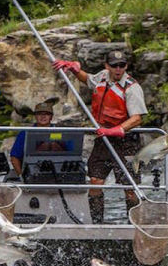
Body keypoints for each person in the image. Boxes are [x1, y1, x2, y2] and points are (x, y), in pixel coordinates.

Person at [51, 50, 147, 224]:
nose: (118, 69)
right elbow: (88, 79)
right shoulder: (103, 76)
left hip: (126, 141)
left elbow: (137, 118)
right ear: (107, 66)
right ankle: (97, 224)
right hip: (103, 138)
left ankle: (134, 224)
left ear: (126, 66)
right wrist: (74, 70)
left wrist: (117, 129)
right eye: (114, 66)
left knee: (129, 187)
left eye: (122, 65)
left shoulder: (132, 88)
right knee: (95, 181)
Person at [7, 101, 56, 179]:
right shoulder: (25, 133)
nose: (43, 116)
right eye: (39, 114)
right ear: (35, 116)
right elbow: (14, 157)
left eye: (46, 114)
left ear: (51, 116)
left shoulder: (62, 132)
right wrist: (21, 177)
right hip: (33, 174)